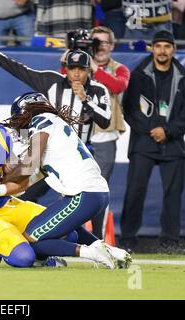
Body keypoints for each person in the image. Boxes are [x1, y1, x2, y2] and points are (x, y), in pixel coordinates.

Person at [0, 105, 130, 268]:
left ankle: (19, 252)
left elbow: (20, 181)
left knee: (68, 232)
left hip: (8, 203)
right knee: (24, 258)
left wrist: (0, 188)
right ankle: (4, 251)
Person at [0, 28, 112, 148]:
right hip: (53, 148)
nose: (76, 74)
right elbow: (22, 71)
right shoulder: (52, 81)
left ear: (89, 70)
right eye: (72, 68)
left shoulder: (98, 90)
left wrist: (85, 99)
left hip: (83, 150)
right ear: (66, 69)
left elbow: (105, 122)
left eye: (81, 69)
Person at [120, 30, 185, 254]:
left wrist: (167, 131)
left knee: (173, 194)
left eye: (167, 47)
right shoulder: (138, 74)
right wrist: (151, 130)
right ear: (152, 48)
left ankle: (170, 241)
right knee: (135, 191)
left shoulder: (183, 75)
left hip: (173, 143)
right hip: (143, 142)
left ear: (173, 50)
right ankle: (127, 238)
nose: (162, 51)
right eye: (158, 46)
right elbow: (129, 110)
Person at [88, 26, 130, 239]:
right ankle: (64, 240)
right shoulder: (77, 64)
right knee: (68, 186)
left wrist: (95, 69)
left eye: (105, 42)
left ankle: (98, 239)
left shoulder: (120, 68)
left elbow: (118, 86)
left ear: (112, 45)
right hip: (79, 134)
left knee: (100, 188)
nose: (101, 47)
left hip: (105, 135)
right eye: (96, 42)